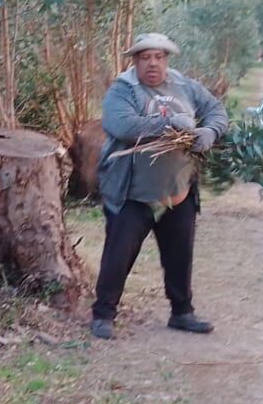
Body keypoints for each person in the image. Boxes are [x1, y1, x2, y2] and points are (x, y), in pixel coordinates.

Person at [91, 33, 228, 340]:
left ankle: (182, 312)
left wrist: (209, 131)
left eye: (158, 57)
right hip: (132, 194)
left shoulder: (185, 86)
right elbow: (121, 126)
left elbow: (218, 111)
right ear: (135, 61)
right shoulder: (123, 89)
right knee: (118, 256)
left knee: (180, 255)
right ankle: (103, 315)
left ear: (167, 59)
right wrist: (169, 125)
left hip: (178, 191)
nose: (152, 63)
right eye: (145, 57)